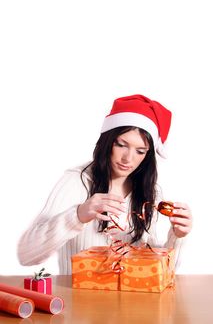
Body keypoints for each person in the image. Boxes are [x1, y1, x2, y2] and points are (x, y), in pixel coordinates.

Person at [17, 94, 192, 275]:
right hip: (80, 300)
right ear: (108, 141)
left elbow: (158, 274)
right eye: (121, 145)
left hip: (133, 302)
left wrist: (177, 237)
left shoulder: (149, 193)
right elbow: (26, 255)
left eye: (140, 151)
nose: (128, 159)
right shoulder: (76, 182)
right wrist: (78, 215)